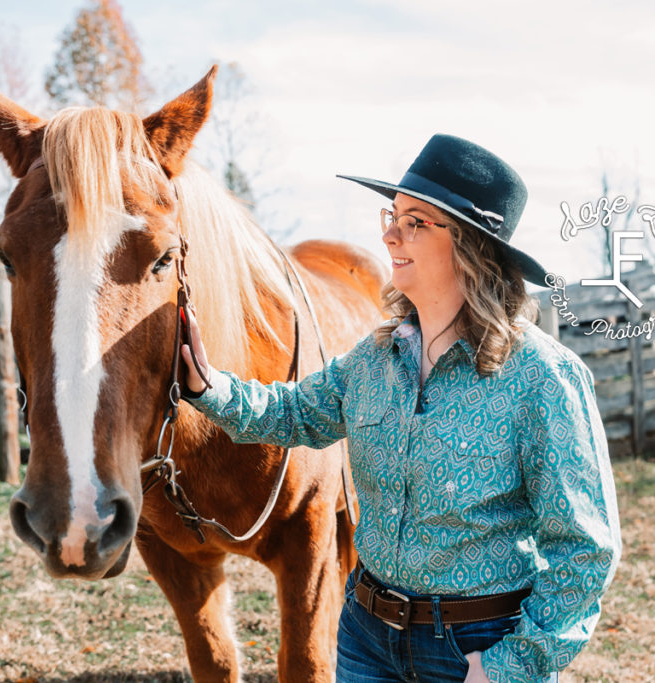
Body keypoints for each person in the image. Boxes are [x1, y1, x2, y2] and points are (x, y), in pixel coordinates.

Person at [180, 134, 622, 683]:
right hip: (366, 636)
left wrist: (511, 666)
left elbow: (586, 548)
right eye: (392, 215)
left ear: (469, 245)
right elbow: (296, 412)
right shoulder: (375, 357)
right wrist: (208, 387)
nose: (389, 233)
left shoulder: (542, 378)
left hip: (474, 649)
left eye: (414, 221)